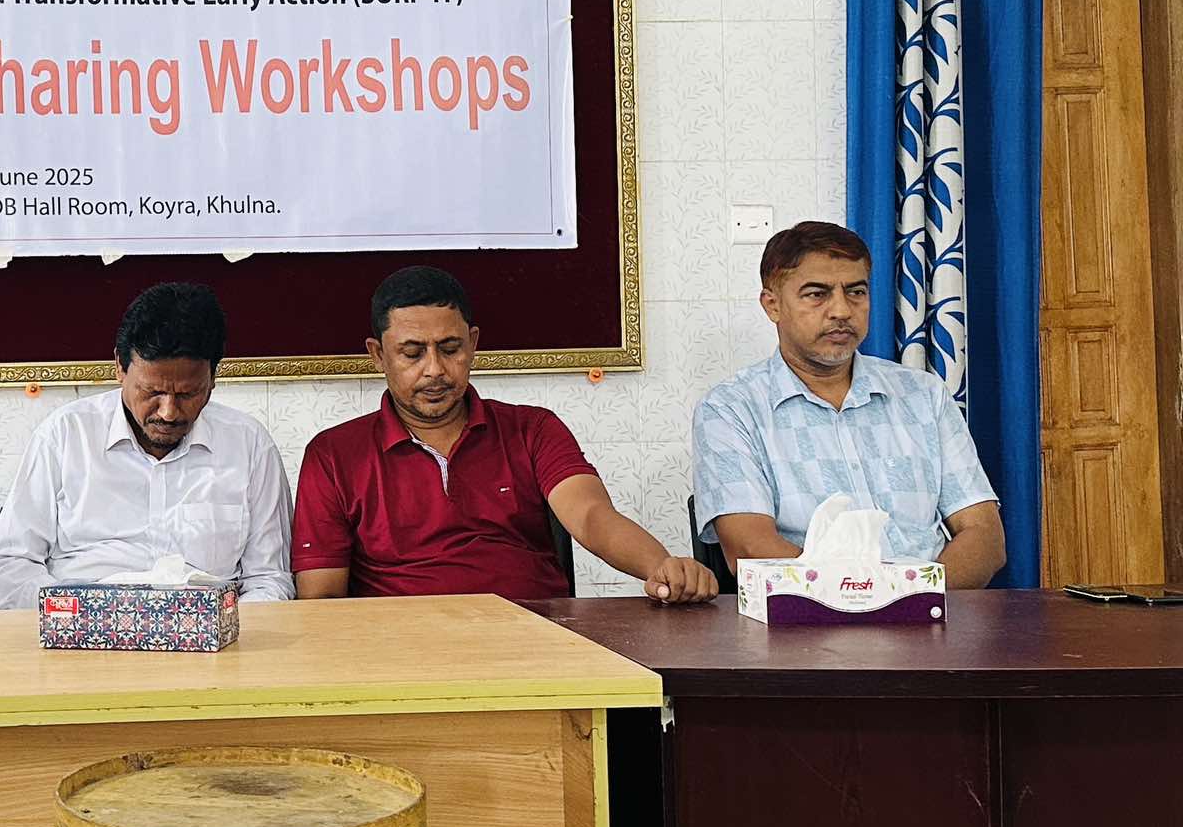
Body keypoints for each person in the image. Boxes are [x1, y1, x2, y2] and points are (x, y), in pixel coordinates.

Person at [292, 267, 717, 604]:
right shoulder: (333, 455)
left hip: (537, 640)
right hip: (401, 655)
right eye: (412, 353)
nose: (435, 369)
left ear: (473, 344)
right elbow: (322, 598)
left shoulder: (532, 429)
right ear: (377, 354)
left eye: (450, 348)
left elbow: (591, 515)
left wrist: (661, 567)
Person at [693, 221, 1005, 587]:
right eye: (817, 294)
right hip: (806, 616)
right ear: (772, 305)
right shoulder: (730, 409)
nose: (841, 310)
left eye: (856, 292)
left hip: (931, 607)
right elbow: (750, 549)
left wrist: (913, 599)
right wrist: (866, 600)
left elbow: (984, 535)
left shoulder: (924, 395)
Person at [0, 282, 294, 609]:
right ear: (119, 366)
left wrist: (227, 626)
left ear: (213, 377)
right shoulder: (66, 435)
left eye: (188, 394)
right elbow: (5, 569)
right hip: (84, 629)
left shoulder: (249, 444)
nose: (168, 412)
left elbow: (269, 579)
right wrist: (83, 613)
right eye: (152, 392)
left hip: (211, 633)